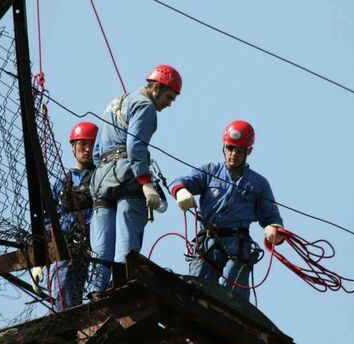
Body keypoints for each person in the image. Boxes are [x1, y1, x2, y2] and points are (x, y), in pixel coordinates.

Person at [87, 64, 182, 294]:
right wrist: (145, 182)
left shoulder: (115, 103)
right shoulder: (145, 106)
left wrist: (106, 171)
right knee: (127, 237)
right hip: (126, 177)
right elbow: (135, 145)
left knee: (101, 246)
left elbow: (97, 152)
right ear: (157, 87)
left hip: (101, 180)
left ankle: (95, 293)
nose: (168, 104)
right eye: (169, 97)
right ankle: (122, 290)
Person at [169, 120, 284, 301]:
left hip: (237, 245)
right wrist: (181, 191)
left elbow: (272, 218)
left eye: (239, 150)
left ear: (249, 151)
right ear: (224, 147)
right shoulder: (210, 171)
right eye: (230, 148)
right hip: (208, 242)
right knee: (197, 291)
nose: (233, 154)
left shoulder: (258, 184)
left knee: (234, 296)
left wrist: (275, 231)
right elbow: (178, 181)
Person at [31, 121, 98, 310]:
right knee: (63, 296)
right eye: (83, 144)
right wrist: (39, 261)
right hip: (62, 247)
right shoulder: (62, 183)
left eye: (92, 144)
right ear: (73, 147)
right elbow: (46, 220)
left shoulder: (100, 178)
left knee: (79, 294)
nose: (87, 149)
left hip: (88, 244)